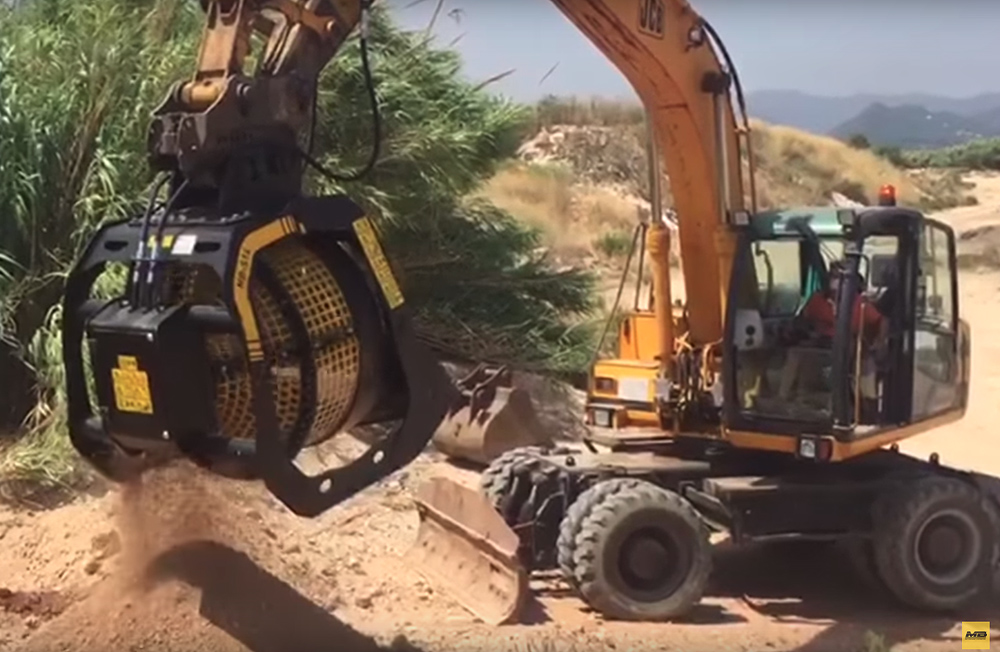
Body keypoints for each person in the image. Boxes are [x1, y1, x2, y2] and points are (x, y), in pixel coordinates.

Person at [778, 261, 887, 406]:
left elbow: (882, 321)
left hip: (848, 345)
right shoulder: (816, 300)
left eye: (838, 276)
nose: (834, 280)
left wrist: (880, 341)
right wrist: (800, 332)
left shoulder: (859, 304)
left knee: (861, 361)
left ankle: (863, 407)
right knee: (795, 353)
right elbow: (802, 320)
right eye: (832, 276)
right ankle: (782, 398)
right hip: (820, 344)